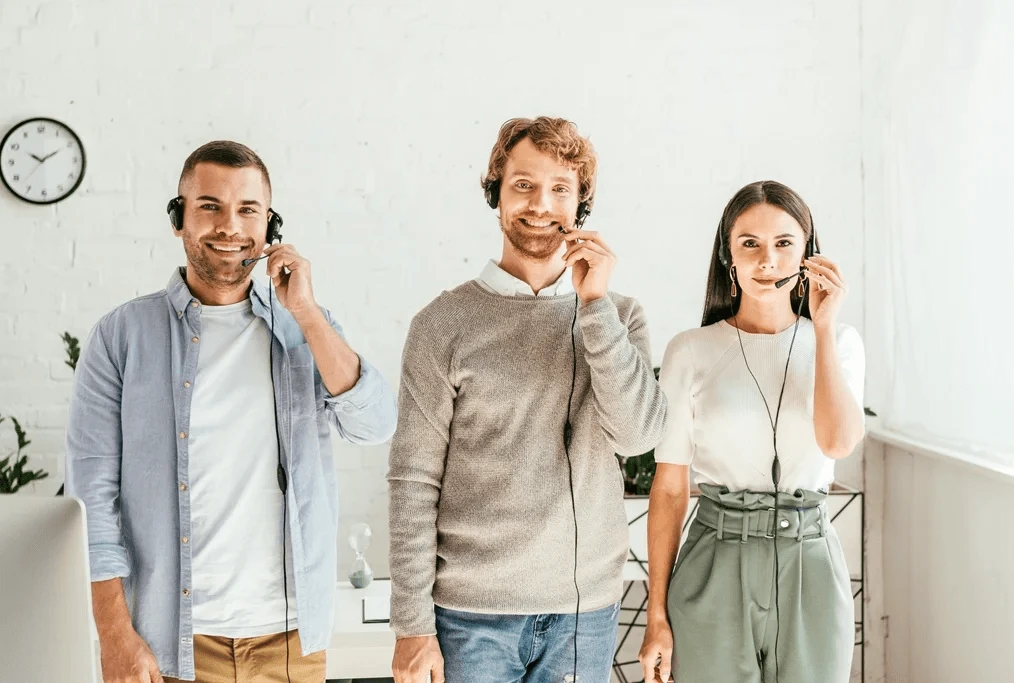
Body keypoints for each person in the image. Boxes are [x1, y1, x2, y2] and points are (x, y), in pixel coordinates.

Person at [65, 140, 397, 683]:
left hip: (289, 640)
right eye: (210, 207)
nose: (229, 226)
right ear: (179, 219)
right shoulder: (120, 337)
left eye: (248, 210)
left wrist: (307, 313)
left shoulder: (305, 329)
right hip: (170, 642)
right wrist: (115, 636)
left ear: (272, 226)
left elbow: (375, 423)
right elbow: (90, 503)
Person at [387, 116, 668, 683]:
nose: (541, 204)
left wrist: (594, 308)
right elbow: (413, 481)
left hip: (584, 615)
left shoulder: (620, 316)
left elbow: (637, 435)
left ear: (580, 204)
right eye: (523, 185)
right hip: (470, 616)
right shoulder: (442, 325)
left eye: (560, 188)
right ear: (495, 193)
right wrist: (412, 627)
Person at [638, 180, 865, 683]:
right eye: (750, 244)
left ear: (808, 254)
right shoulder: (690, 350)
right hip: (716, 561)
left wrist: (823, 329)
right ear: (728, 256)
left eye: (785, 243)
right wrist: (656, 616)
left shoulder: (841, 342)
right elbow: (671, 486)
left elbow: (838, 442)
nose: (768, 261)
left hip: (809, 562)